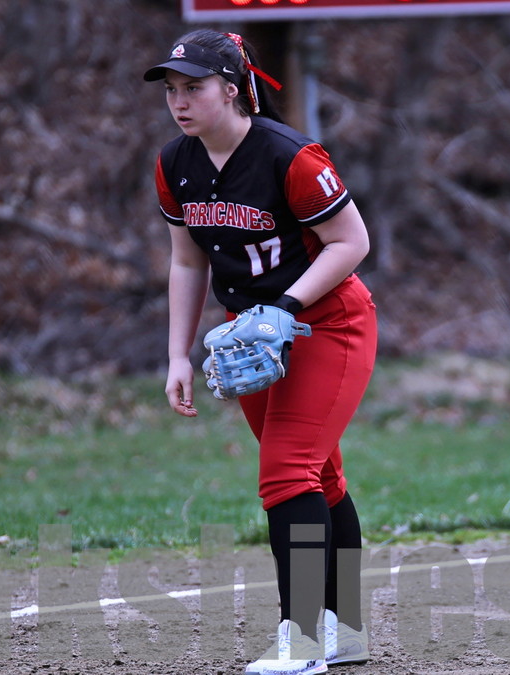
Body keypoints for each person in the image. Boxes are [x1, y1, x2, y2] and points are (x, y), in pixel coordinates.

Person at [144, 29, 376, 675]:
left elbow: (352, 242)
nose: (179, 101)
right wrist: (178, 355)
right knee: (318, 477)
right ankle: (345, 630)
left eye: (193, 87)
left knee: (286, 473)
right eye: (172, 89)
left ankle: (301, 638)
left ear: (231, 88)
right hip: (251, 333)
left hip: (327, 322)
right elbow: (187, 261)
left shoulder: (289, 155)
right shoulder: (175, 163)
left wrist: (287, 306)